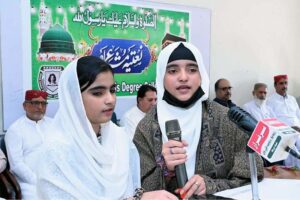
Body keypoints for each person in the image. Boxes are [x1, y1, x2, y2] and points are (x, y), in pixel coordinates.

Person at [133, 42, 263, 199]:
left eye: (192, 70)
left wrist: (210, 185)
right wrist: (166, 171)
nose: (183, 77)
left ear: (201, 74)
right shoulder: (146, 128)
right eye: (173, 71)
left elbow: (253, 175)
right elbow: (137, 190)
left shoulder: (227, 120)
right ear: (162, 76)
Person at [36, 56, 177, 200]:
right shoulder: (56, 151)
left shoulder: (118, 138)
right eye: (98, 93)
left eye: (112, 90)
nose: (110, 99)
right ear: (74, 97)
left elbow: (134, 188)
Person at [5, 89, 52, 199]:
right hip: (29, 182)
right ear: (25, 106)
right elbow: (17, 165)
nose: (40, 107)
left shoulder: (53, 124)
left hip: (54, 177)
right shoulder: (15, 130)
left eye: (43, 103)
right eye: (35, 103)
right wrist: (38, 181)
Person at [267, 74, 300, 167]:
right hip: (285, 133)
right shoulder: (270, 101)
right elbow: (272, 121)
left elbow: (298, 115)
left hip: (298, 131)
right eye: (281, 83)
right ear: (275, 85)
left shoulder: (292, 99)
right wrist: (289, 129)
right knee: (293, 154)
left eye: (286, 83)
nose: (284, 86)